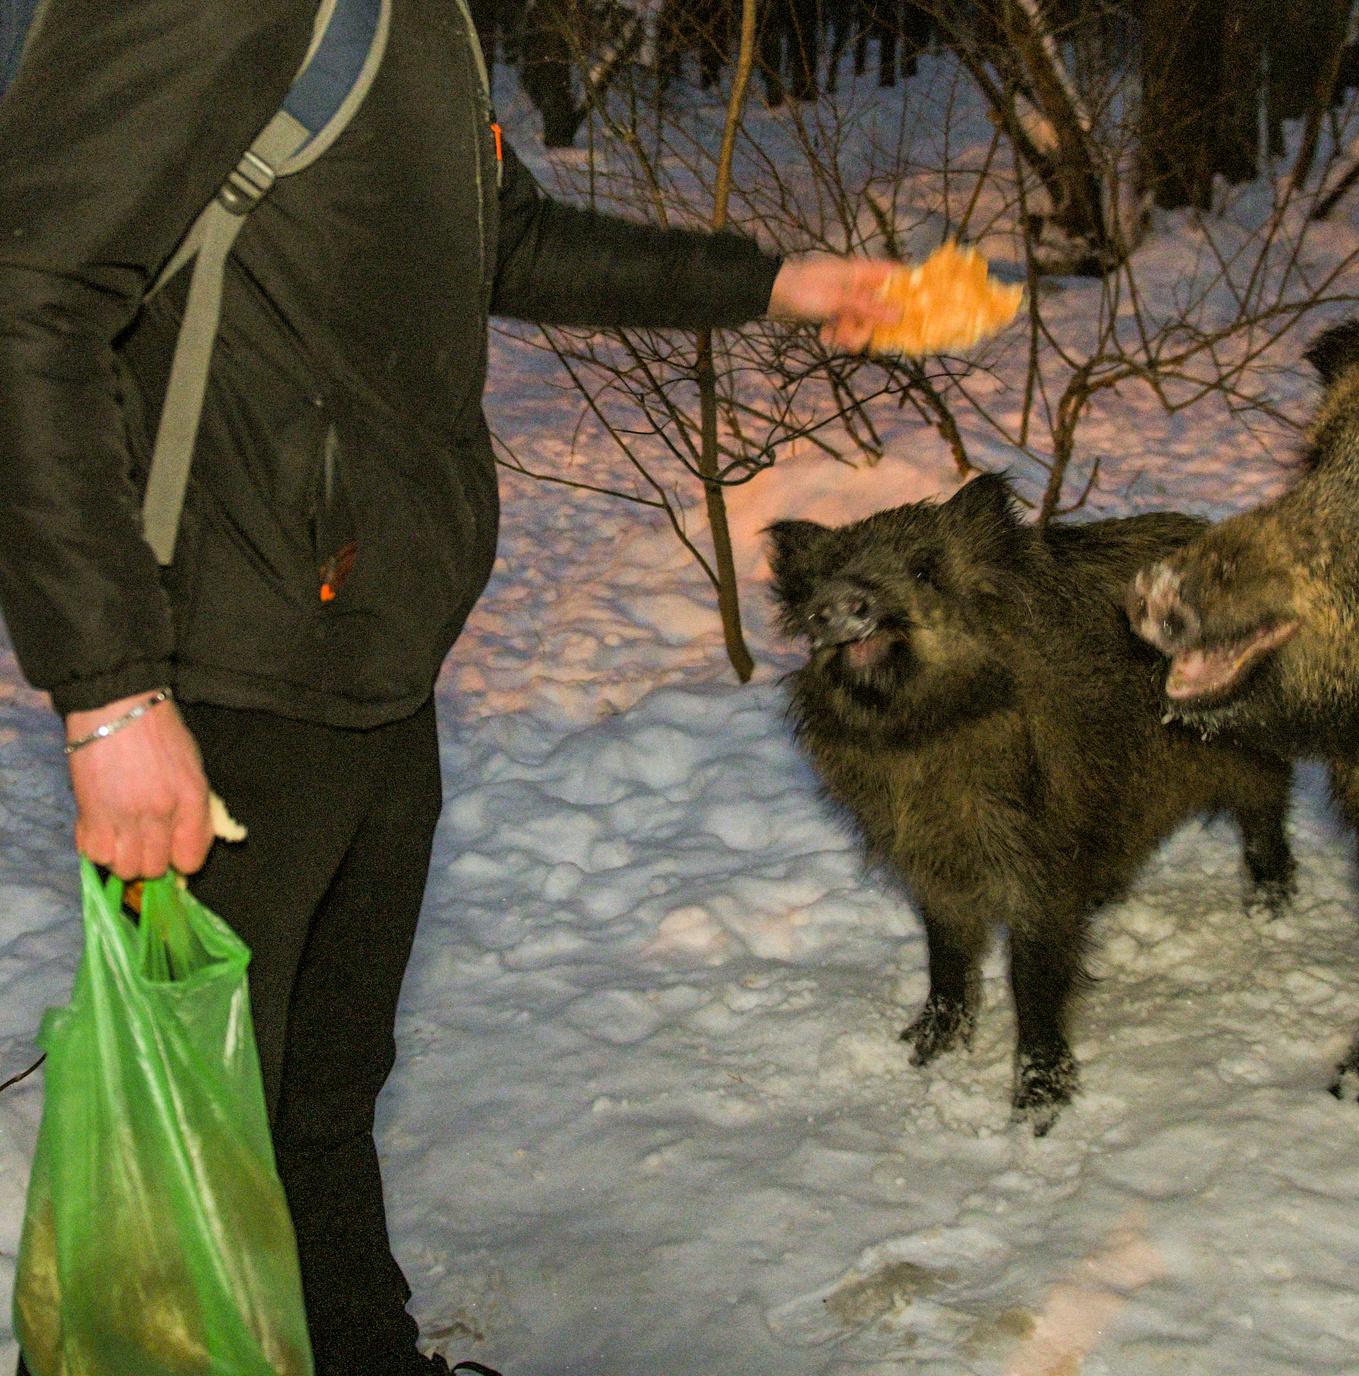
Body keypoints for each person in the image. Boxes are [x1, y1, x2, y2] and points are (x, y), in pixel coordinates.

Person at [0, 1, 896, 1372]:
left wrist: (774, 285)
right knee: (201, 1125)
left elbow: (504, 235)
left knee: (323, 1092)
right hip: (218, 664)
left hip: (370, 637)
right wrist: (111, 692)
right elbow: (29, 298)